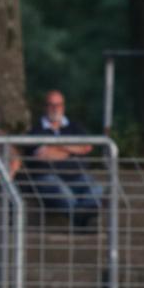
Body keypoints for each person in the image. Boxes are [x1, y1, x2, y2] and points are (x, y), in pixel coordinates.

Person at [25, 90, 102, 229]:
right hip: (47, 177)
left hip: (76, 176)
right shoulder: (36, 130)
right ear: (45, 107)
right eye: (52, 105)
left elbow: (87, 146)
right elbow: (44, 155)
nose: (55, 108)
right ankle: (83, 222)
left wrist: (58, 145)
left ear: (63, 106)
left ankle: (80, 220)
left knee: (97, 189)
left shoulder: (74, 126)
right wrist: (72, 150)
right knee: (65, 194)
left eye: (59, 104)